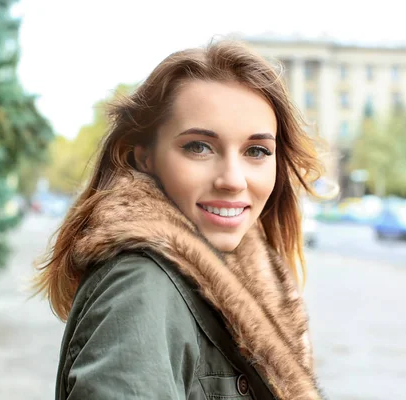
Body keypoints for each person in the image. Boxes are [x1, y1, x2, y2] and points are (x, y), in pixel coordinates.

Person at [34, 40, 326, 400]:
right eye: (199, 147)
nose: (233, 179)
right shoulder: (141, 288)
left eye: (256, 151)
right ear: (144, 158)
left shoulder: (238, 271)